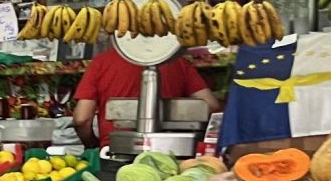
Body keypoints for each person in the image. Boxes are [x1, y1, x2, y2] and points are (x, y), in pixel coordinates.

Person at [72, 47, 221, 149]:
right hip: (169, 150)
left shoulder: (101, 62)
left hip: (116, 149)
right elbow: (211, 105)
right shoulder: (178, 62)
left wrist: (92, 143)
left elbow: (82, 119)